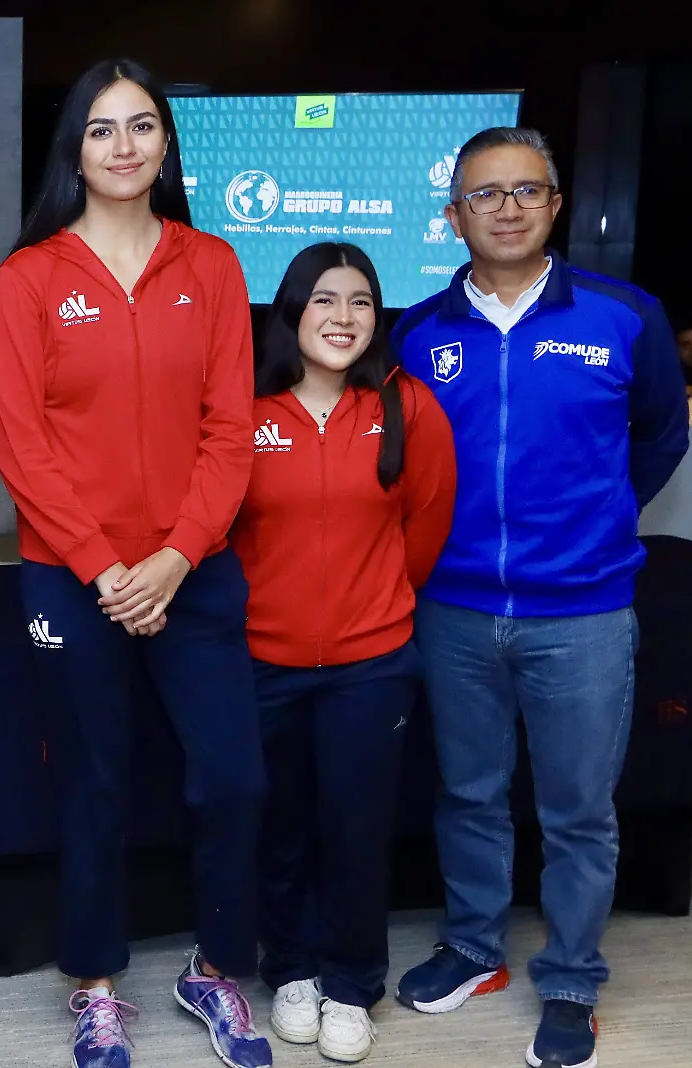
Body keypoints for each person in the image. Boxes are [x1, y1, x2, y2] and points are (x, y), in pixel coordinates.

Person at [0, 57, 269, 1068]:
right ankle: (96, 987)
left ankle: (216, 969)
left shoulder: (213, 266)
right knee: (94, 785)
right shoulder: (30, 277)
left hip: (192, 574)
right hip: (73, 578)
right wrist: (110, 570)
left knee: (232, 779)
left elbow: (229, 433)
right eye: (101, 129)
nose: (122, 146)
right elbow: (21, 446)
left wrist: (173, 559)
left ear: (164, 145)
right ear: (75, 148)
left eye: (141, 126)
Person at [391, 127, 689, 1068]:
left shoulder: (625, 315)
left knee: (578, 811)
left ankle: (569, 977)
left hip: (585, 612)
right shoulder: (416, 331)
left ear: (557, 204)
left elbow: (658, 440)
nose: (508, 208)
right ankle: (475, 946)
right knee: (469, 792)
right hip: (455, 608)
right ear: (455, 216)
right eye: (486, 194)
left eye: (527, 190)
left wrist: (594, 523)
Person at [232, 243, 456, 1063]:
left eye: (361, 301)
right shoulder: (246, 409)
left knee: (357, 830)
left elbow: (424, 529)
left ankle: (352, 983)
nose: (343, 317)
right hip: (264, 662)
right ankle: (289, 968)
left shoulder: (408, 407)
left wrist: (373, 608)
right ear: (292, 311)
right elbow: (222, 532)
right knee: (281, 825)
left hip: (372, 665)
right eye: (324, 300)